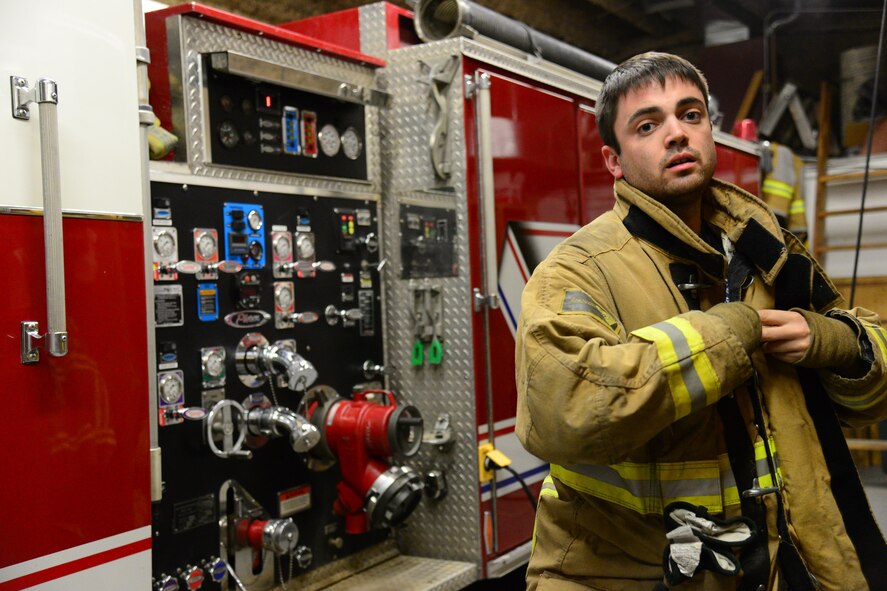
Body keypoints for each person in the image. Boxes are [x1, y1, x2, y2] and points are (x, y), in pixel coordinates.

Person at [515, 51, 887, 590]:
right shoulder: (576, 270)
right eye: (648, 125)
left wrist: (833, 341)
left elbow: (867, 399)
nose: (676, 134)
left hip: (777, 566)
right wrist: (731, 331)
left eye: (691, 115)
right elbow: (562, 412)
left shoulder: (767, 252)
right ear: (613, 160)